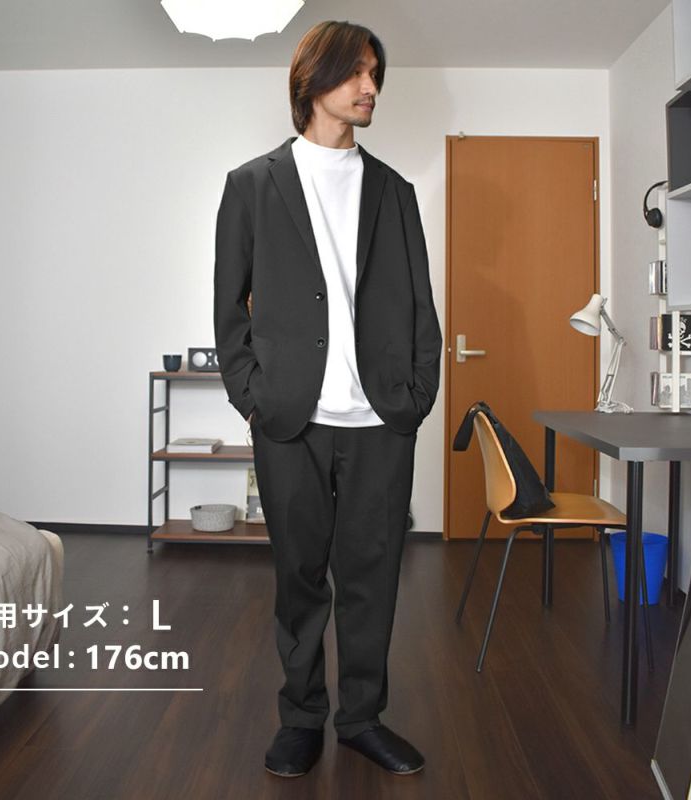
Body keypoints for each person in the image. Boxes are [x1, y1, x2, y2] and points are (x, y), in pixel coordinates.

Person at [213, 20, 441, 777]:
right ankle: (302, 716)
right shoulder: (252, 185)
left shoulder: (395, 192)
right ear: (313, 81)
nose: (371, 88)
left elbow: (421, 305)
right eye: (357, 73)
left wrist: (417, 393)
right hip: (291, 418)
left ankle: (363, 718)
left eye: (376, 74)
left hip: (381, 419)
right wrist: (251, 396)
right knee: (299, 577)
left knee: (373, 577)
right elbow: (229, 309)